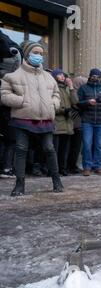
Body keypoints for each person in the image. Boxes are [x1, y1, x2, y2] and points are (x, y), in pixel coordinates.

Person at [0, 41, 63, 196]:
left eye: (41, 54)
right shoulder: (12, 76)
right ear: (27, 54)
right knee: (21, 150)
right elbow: (4, 95)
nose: (39, 56)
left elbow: (56, 94)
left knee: (49, 149)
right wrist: (22, 101)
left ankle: (57, 181)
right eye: (36, 52)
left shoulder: (49, 77)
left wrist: (53, 104)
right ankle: (19, 185)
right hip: (23, 119)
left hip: (45, 120)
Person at [77, 68, 101, 176]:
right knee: (87, 144)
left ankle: (97, 166)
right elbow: (78, 103)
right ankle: (87, 167)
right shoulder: (83, 88)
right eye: (93, 76)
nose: (95, 78)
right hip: (87, 121)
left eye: (97, 76)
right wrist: (88, 102)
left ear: (100, 77)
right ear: (89, 76)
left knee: (98, 145)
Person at [0, 30, 22, 178]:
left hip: (8, 113)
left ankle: (7, 167)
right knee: (10, 140)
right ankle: (6, 168)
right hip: (7, 112)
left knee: (10, 140)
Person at [51, 69, 78, 176]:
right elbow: (52, 106)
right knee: (55, 150)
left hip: (67, 124)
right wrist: (64, 111)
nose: (63, 76)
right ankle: (53, 170)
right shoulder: (53, 88)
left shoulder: (66, 90)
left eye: (63, 75)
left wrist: (71, 87)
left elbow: (75, 102)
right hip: (57, 124)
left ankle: (62, 168)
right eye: (60, 74)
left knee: (64, 150)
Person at [67, 76, 87, 174]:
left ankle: (72, 165)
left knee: (75, 147)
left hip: (76, 123)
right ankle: (71, 166)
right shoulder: (73, 93)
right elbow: (76, 104)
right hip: (75, 123)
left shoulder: (74, 92)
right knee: (74, 147)